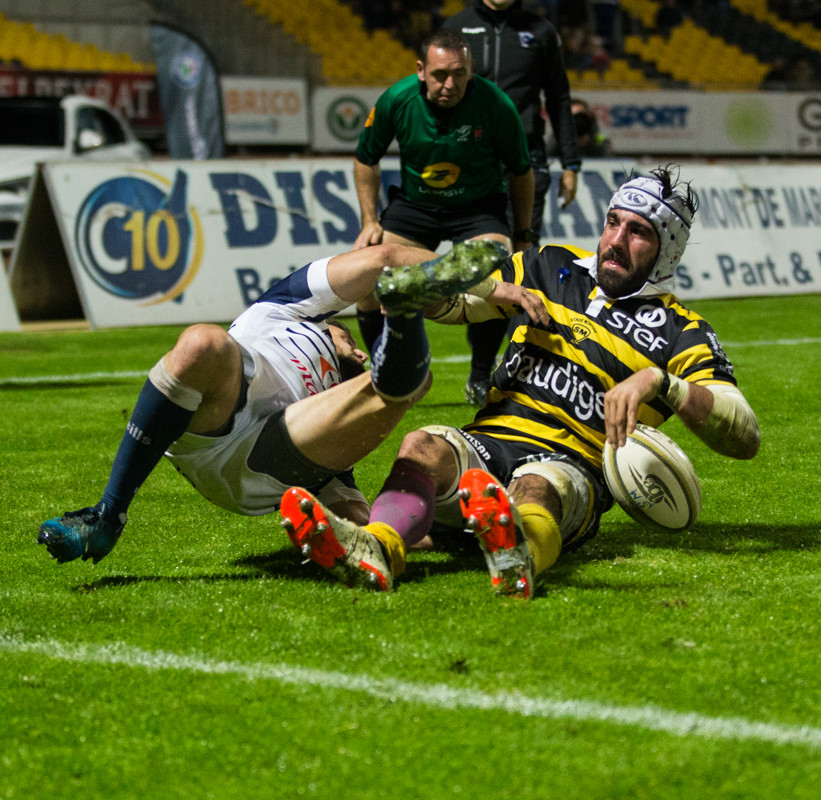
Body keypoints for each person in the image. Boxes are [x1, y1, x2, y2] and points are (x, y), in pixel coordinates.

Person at [280, 166, 761, 599]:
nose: (616, 239)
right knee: (422, 445)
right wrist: (486, 288)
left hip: (574, 465)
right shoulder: (549, 265)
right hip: (490, 444)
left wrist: (660, 382)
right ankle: (378, 548)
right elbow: (446, 307)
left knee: (538, 483)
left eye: (638, 232)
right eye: (613, 221)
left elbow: (744, 434)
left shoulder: (681, 330)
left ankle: (518, 556)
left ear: (666, 249)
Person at [37, 240, 549, 591]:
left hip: (279, 455)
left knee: (396, 410)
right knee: (203, 342)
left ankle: (405, 315)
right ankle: (108, 515)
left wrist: (425, 537)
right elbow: (384, 256)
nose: (351, 344)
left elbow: (351, 521)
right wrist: (489, 286)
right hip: (218, 420)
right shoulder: (282, 309)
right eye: (349, 335)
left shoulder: (343, 409)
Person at [351, 28, 535, 378]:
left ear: (471, 69)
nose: (449, 84)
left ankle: (481, 373)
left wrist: (523, 232)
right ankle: (383, 373)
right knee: (369, 281)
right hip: (416, 207)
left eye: (459, 74)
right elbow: (365, 159)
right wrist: (370, 220)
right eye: (439, 74)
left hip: (479, 209)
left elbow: (521, 171)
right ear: (421, 69)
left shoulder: (496, 104)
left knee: (496, 273)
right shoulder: (397, 99)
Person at [441, 0, 583, 408]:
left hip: (527, 166)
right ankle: (480, 369)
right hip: (471, 168)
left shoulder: (540, 32)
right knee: (483, 271)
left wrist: (570, 162)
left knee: (517, 268)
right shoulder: (456, 28)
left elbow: (559, 97)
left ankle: (500, 373)